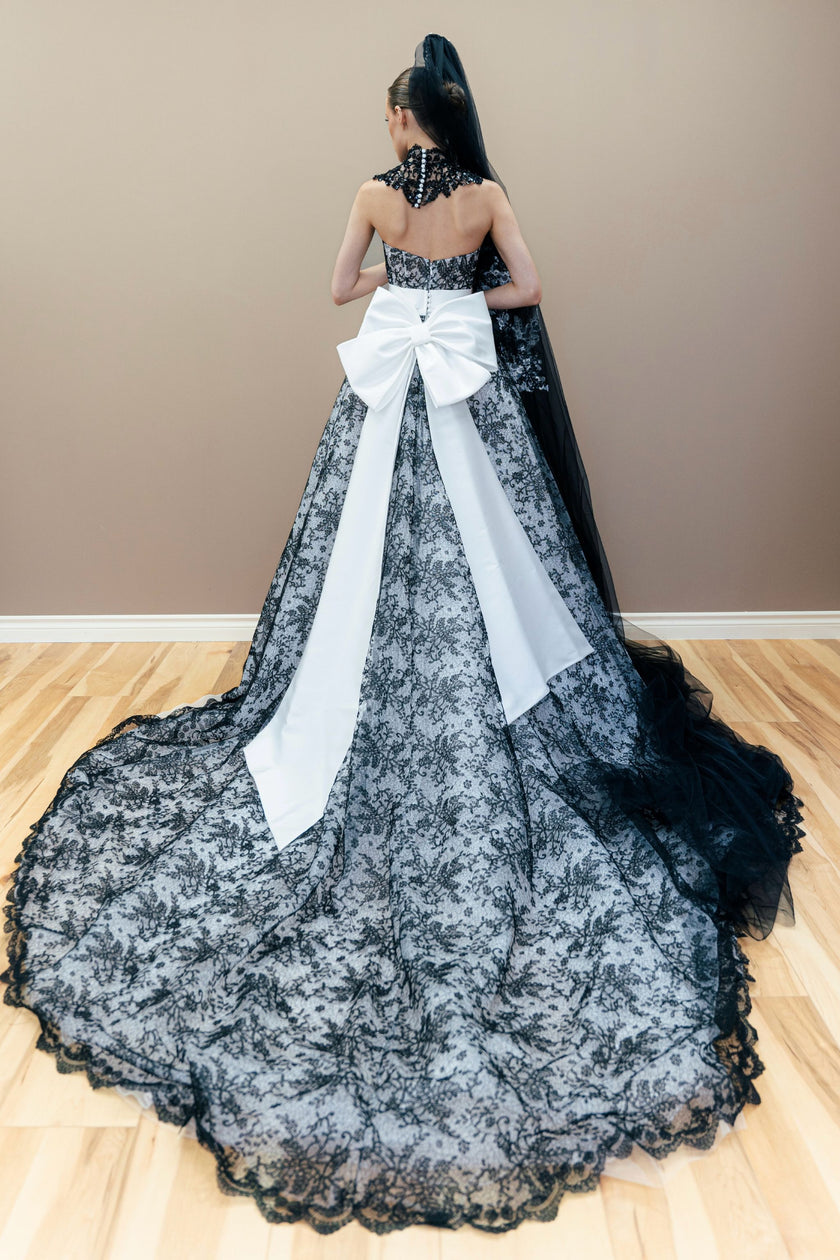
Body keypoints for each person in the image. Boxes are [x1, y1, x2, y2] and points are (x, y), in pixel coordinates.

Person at [1, 33, 806, 1236]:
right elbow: (528, 290)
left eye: (390, 112)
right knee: (500, 562)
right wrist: (456, 297)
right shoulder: (487, 197)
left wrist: (396, 289)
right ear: (455, 115)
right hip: (466, 401)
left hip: (386, 401)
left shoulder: (376, 197)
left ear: (399, 118)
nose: (390, 128)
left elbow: (336, 289)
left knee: (358, 559)